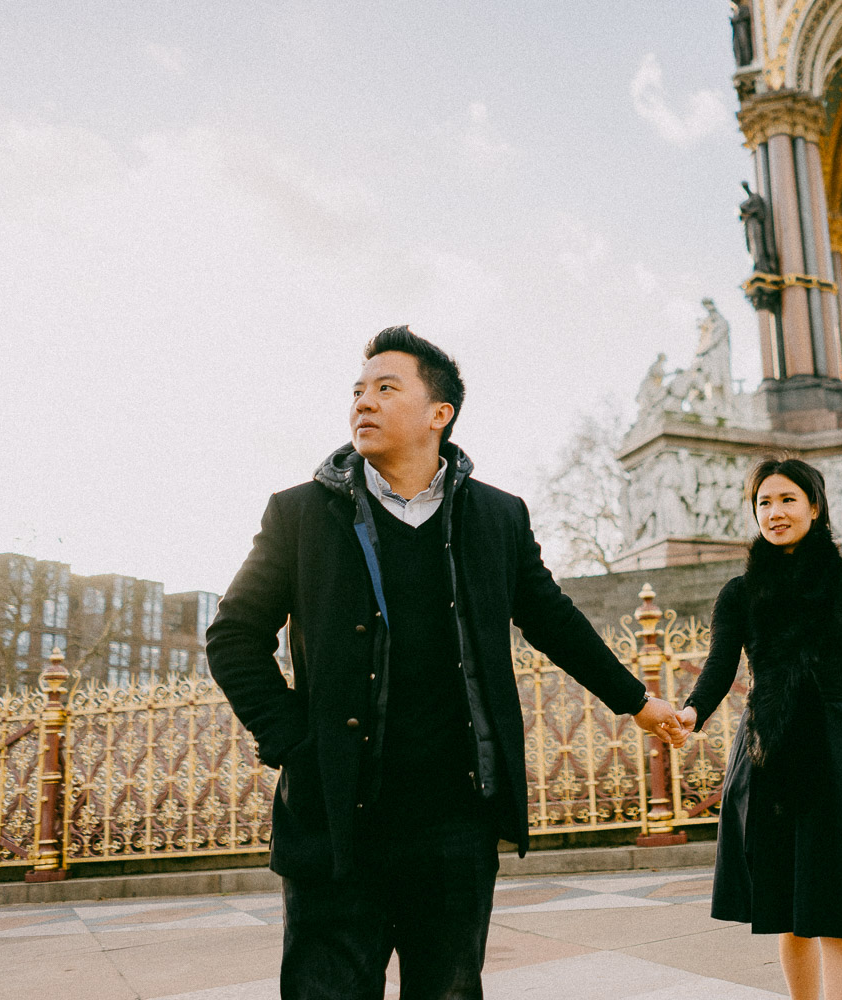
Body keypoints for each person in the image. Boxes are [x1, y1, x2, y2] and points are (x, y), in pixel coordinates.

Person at [207, 326, 686, 1000]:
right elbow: (232, 635)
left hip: (455, 821)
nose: (362, 403)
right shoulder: (300, 515)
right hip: (338, 817)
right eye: (357, 390)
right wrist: (295, 740)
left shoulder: (496, 517)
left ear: (440, 413)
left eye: (385, 388)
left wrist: (638, 701)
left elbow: (553, 620)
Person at [674, 457, 842, 1000]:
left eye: (787, 500)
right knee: (786, 910)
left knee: (840, 913)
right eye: (764, 503)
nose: (775, 513)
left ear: (815, 507)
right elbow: (719, 668)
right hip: (767, 754)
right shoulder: (738, 592)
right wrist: (690, 713)